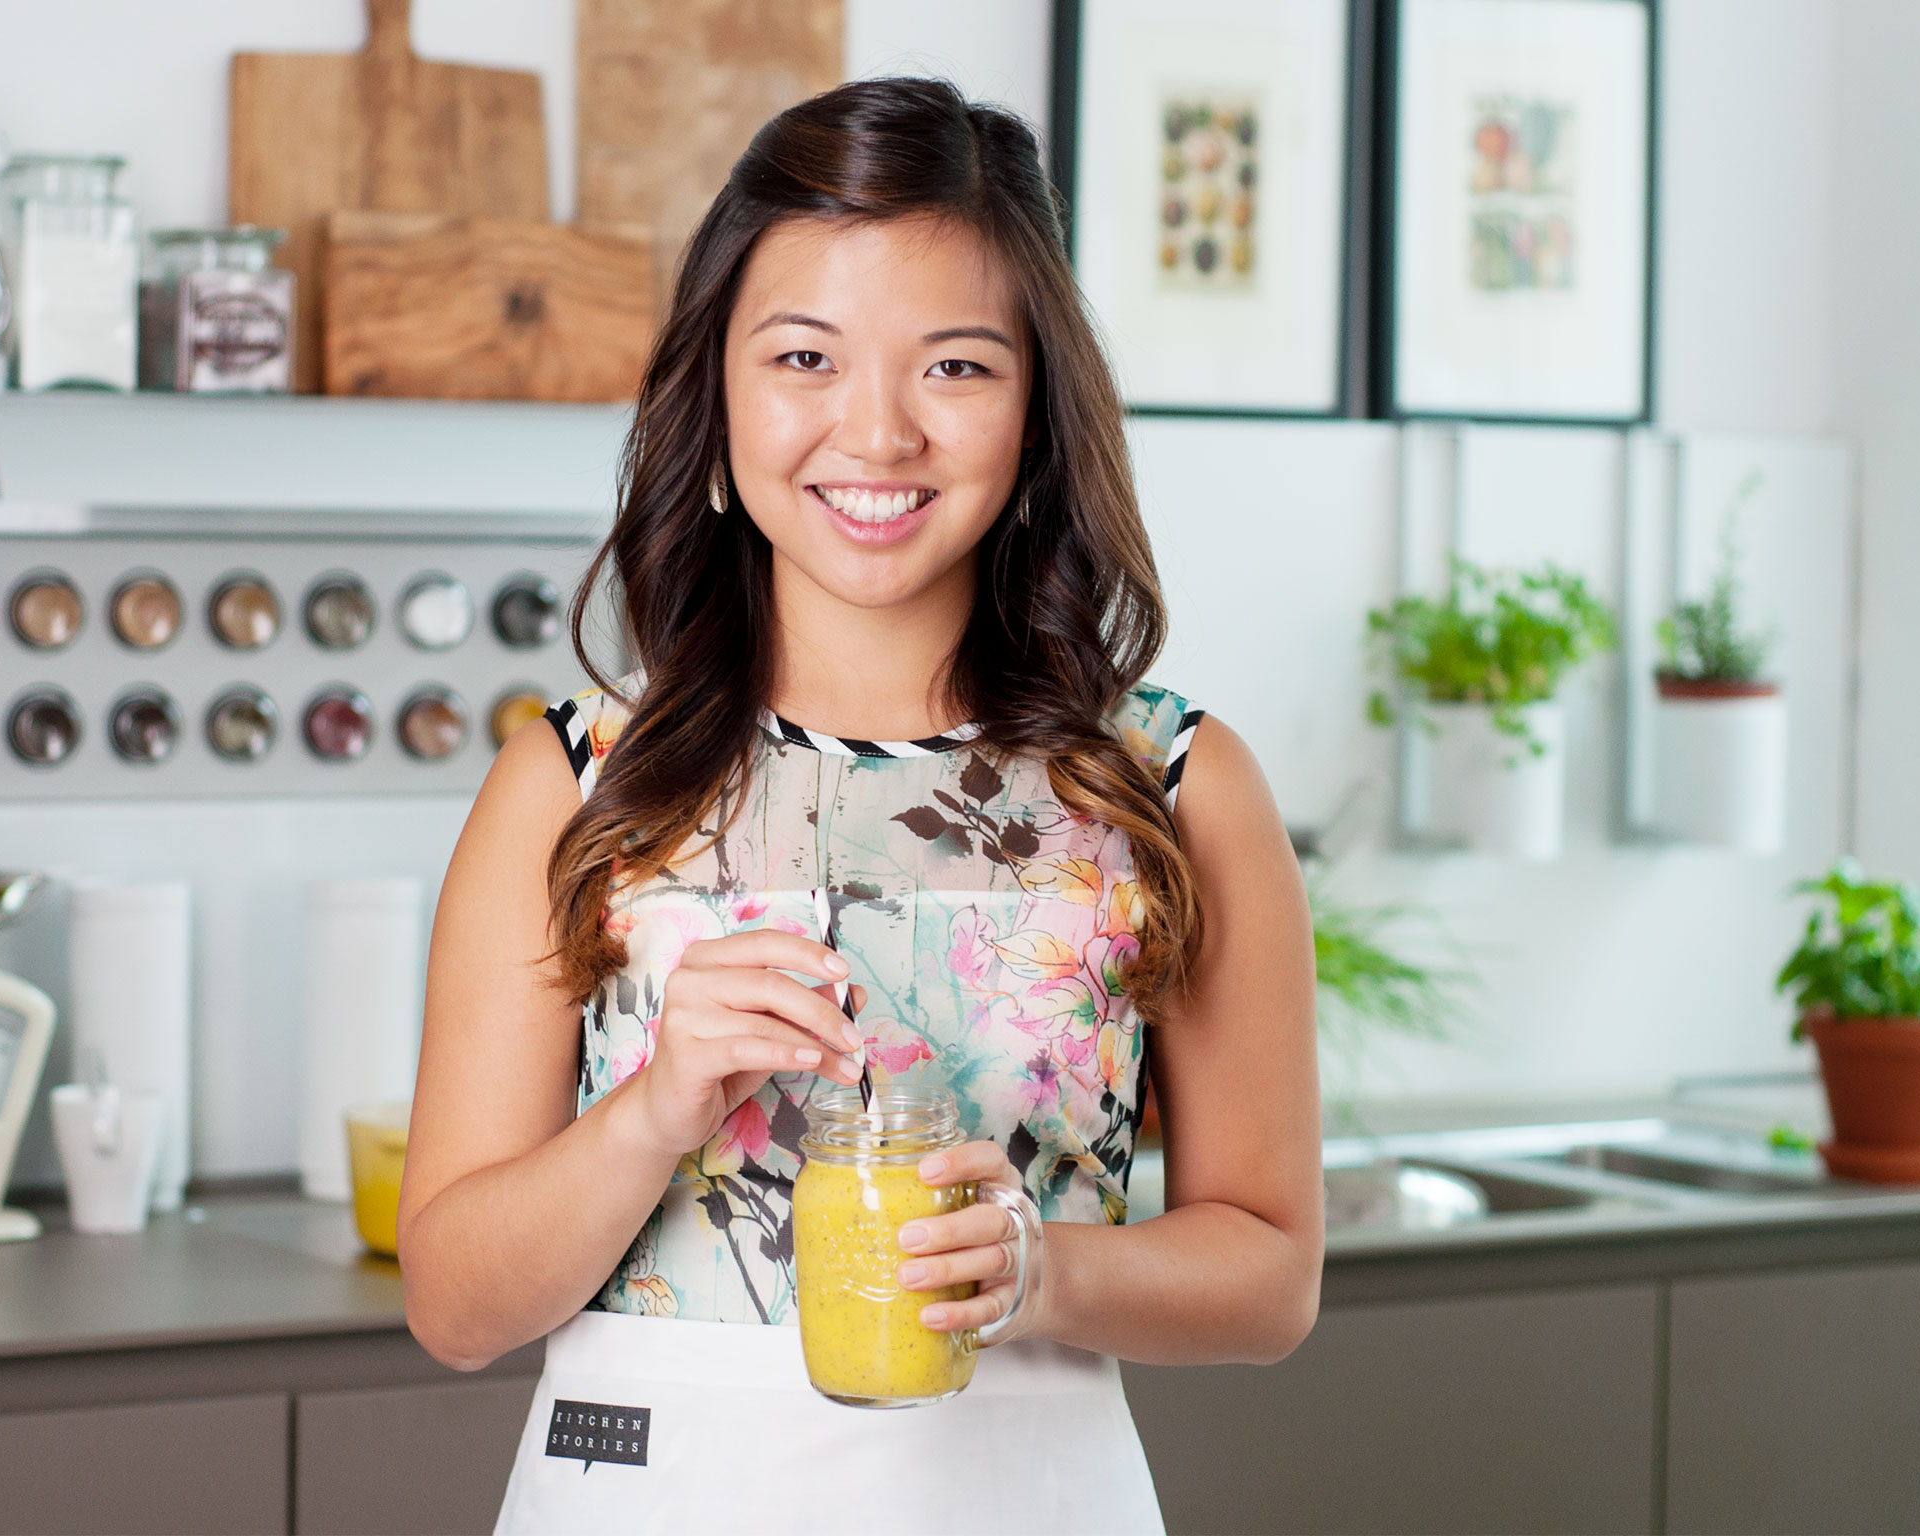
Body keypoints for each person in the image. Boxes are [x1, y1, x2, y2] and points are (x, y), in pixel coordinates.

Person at [400, 75, 1322, 1534]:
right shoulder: (578, 787)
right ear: (715, 393)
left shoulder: (1171, 788)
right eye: (806, 358)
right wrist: (654, 1115)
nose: (877, 432)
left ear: (1038, 411)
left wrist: (1044, 1273)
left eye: (956, 368)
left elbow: (1271, 1275)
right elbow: (454, 1305)